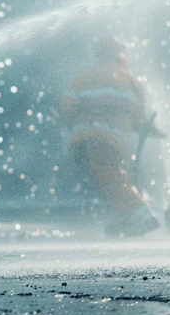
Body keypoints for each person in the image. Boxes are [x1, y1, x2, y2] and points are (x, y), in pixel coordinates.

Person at [62, 37, 161, 237]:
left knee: (109, 178)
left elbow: (68, 108)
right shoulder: (131, 79)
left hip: (93, 135)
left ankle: (142, 216)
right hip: (118, 139)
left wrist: (75, 132)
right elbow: (138, 116)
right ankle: (129, 217)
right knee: (111, 176)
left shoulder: (84, 77)